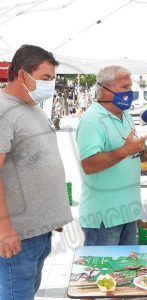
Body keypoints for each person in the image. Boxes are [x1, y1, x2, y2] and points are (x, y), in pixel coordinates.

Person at [0, 44, 73, 300]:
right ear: (22, 75)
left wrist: (54, 214)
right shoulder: (3, 111)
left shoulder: (32, 108)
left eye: (52, 79)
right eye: (45, 78)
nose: (50, 85)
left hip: (39, 232)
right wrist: (4, 229)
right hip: (18, 237)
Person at [76, 65, 147, 246]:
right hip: (104, 218)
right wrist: (125, 151)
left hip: (128, 212)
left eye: (130, 87)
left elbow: (129, 154)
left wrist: (146, 153)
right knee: (103, 273)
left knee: (125, 273)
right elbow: (89, 164)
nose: (130, 92)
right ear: (105, 89)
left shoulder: (126, 115)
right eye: (125, 87)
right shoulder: (92, 120)